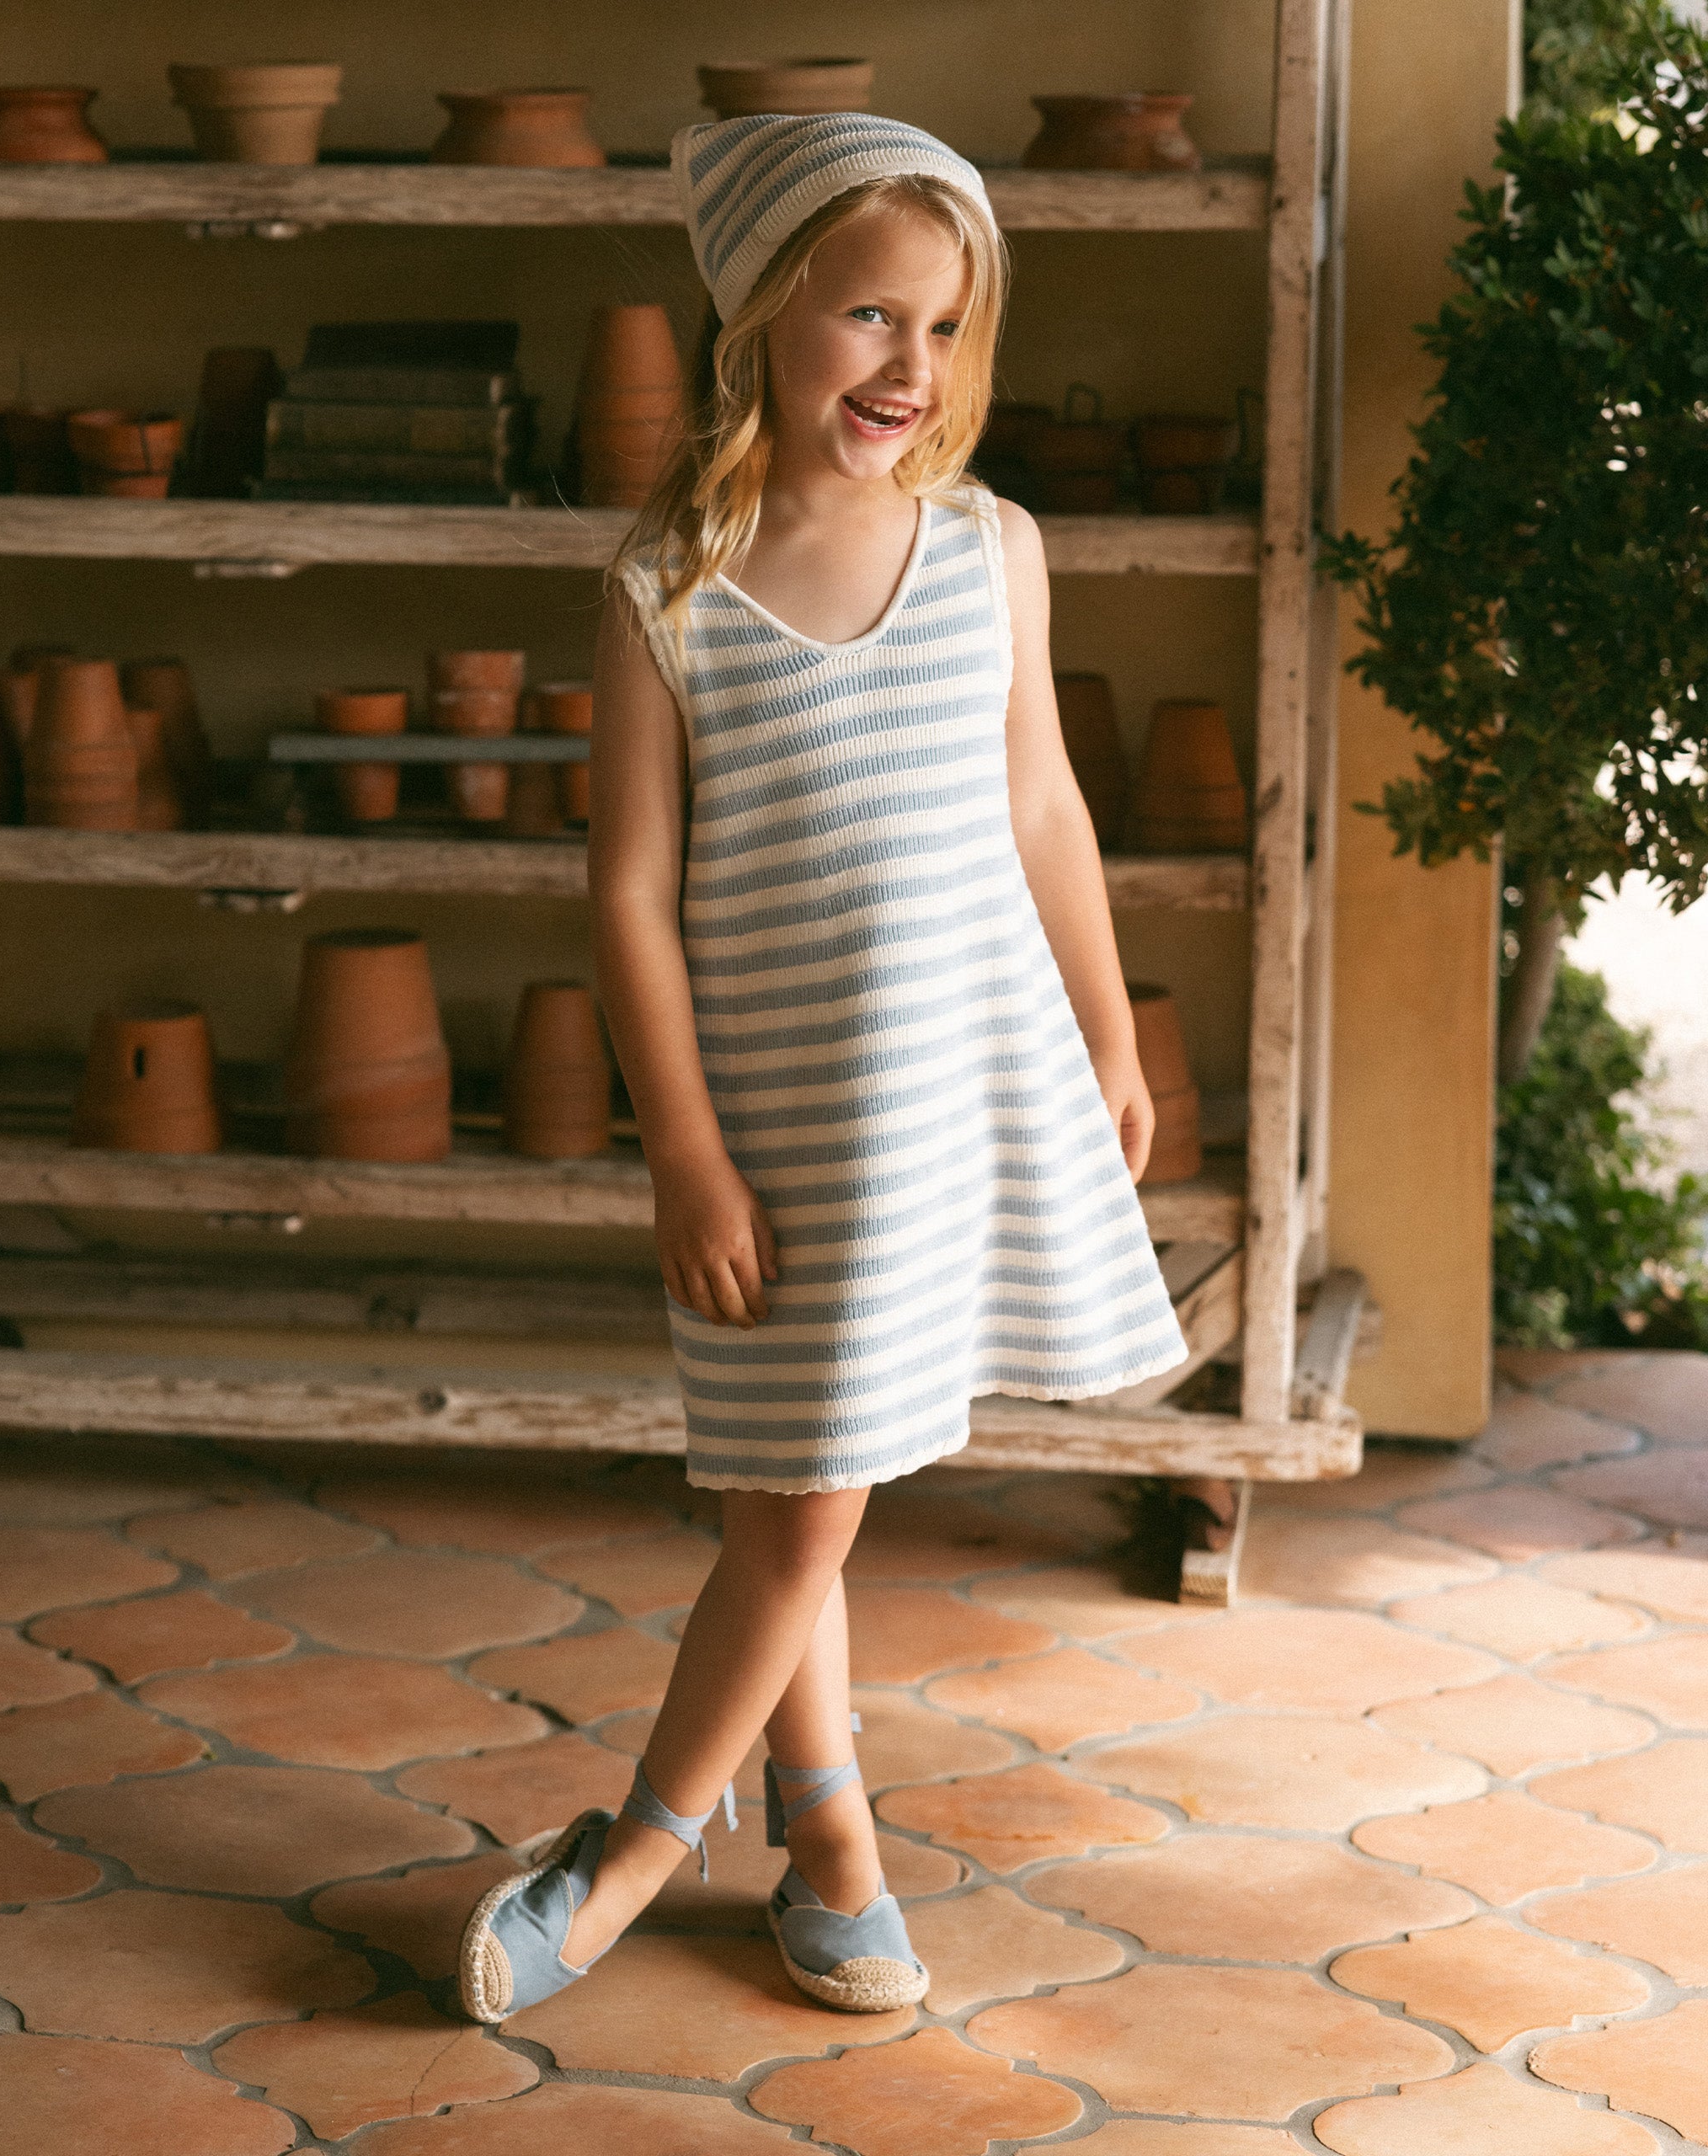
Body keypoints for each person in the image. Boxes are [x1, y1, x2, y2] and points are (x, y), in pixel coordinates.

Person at [458, 110, 1188, 2025]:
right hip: (773, 1121)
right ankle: (724, 1841)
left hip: (935, 1104)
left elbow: (1044, 803)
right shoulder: (667, 587)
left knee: (808, 1485)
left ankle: (757, 1840)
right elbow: (629, 893)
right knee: (802, 1492)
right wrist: (683, 1151)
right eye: (869, 314)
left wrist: (1110, 1028)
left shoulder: (991, 550)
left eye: (942, 327)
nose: (908, 366)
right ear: (765, 313)